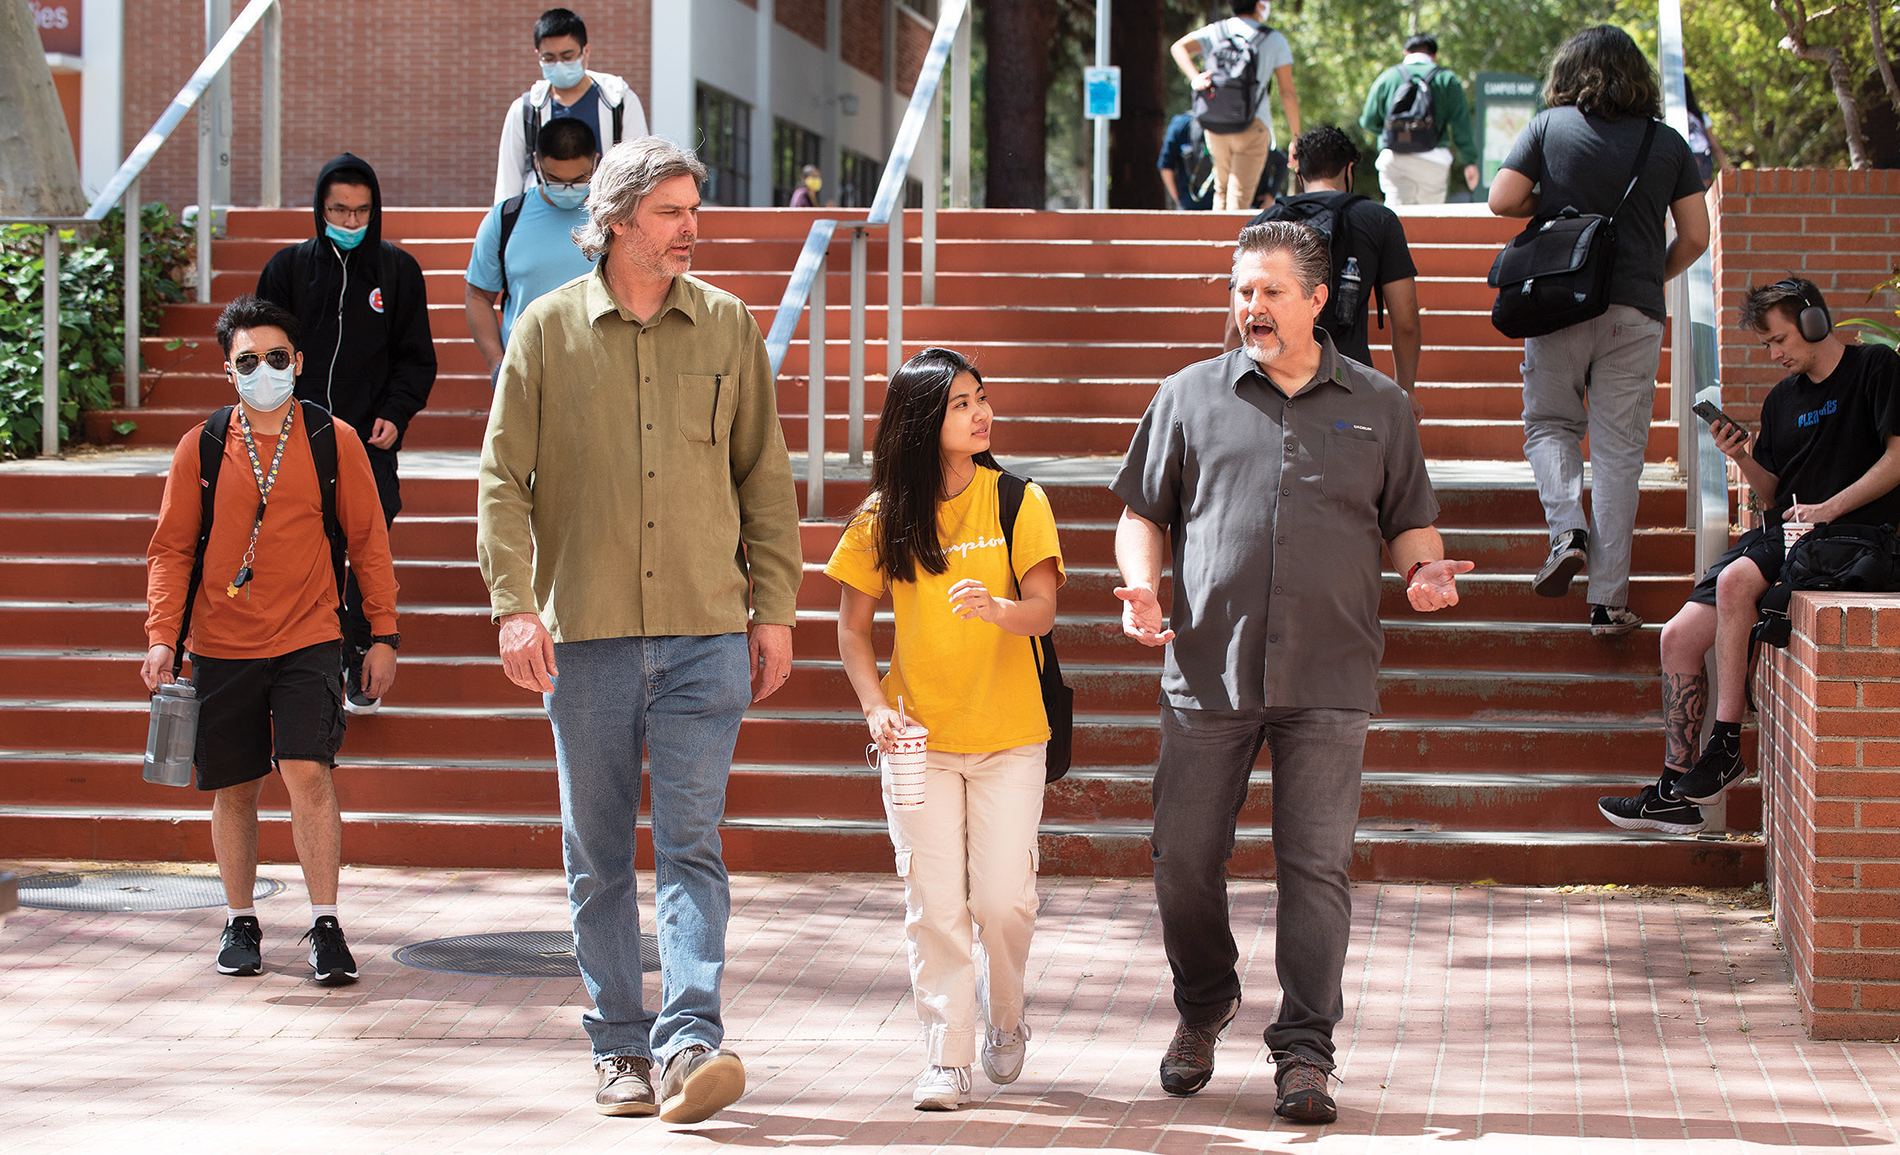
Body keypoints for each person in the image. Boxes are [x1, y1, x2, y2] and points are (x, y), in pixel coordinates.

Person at [1112, 221, 1472, 1123]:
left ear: (1318, 300)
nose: (1252, 307)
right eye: (1242, 290)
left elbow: (1409, 526)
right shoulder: (1188, 395)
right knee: (1182, 857)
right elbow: (1142, 511)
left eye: (1271, 291)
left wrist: (1425, 574)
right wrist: (1140, 585)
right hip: (1209, 669)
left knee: (1315, 867)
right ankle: (1204, 1004)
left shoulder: (1383, 405)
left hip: (1331, 671)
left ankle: (1307, 1050)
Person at [476, 137, 802, 1123]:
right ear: (618, 220)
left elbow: (765, 480)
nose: (691, 230)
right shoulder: (544, 332)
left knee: (693, 843)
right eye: (671, 213)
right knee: (600, 852)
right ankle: (619, 1045)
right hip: (591, 636)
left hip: (707, 631)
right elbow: (501, 481)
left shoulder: (730, 328)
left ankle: (689, 1043)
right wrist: (514, 606)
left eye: (693, 211)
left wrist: (775, 610)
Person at [825, 348, 1064, 1112]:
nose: (980, 412)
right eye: (962, 403)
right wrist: (875, 707)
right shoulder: (881, 516)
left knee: (1001, 901)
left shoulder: (1018, 500)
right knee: (934, 901)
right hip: (918, 741)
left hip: (1010, 731)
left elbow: (1045, 610)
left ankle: (1006, 1015)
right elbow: (853, 632)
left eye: (982, 398)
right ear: (925, 419)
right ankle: (945, 1054)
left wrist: (1000, 611)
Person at [141, 294, 400, 987]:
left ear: (300, 362)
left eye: (277, 358)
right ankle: (241, 918)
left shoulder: (331, 438)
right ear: (229, 371)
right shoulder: (201, 444)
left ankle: (324, 922)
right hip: (221, 642)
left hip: (310, 634)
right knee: (234, 785)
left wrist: (383, 633)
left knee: (308, 771)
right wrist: (162, 635)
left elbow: (370, 542)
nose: (264, 370)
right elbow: (170, 549)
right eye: (248, 361)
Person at [1600, 280, 1900, 833]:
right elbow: (1772, 495)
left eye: (1780, 339)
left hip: (1852, 533)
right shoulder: (1782, 399)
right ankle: (1674, 790)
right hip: (1783, 532)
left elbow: (1897, 461)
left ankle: (1726, 743)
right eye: (1766, 345)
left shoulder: (1875, 368)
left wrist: (1828, 508)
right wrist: (1740, 457)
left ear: (1814, 322)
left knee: (1739, 583)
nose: (1775, 354)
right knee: (1678, 637)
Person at [1487, 25, 1708, 636]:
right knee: (1617, 457)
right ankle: (1607, 604)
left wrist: (1555, 199)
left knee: (1551, 424)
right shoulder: (1667, 144)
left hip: (1559, 300)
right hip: (1634, 311)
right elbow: (1695, 237)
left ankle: (1567, 532)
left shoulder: (1548, 126)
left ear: (1568, 73)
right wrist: (1648, 279)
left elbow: (1501, 200)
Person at [257, 154, 435, 713]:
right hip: (294, 442)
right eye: (339, 210)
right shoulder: (287, 269)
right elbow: (257, 348)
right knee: (306, 549)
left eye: (361, 211)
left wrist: (396, 413)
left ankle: (360, 654)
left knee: (366, 548)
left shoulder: (398, 271)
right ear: (320, 208)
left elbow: (416, 358)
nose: (351, 221)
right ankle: (307, 660)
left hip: (368, 444)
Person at [1223, 125, 1423, 421]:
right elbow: (1405, 319)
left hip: (1270, 383)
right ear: (1349, 169)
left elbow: (1234, 324)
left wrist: (1231, 390)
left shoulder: (1264, 223)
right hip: (1349, 381)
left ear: (1299, 173)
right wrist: (1406, 390)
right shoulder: (1378, 220)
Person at [465, 118, 600, 385]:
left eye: (579, 179)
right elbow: (478, 296)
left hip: (602, 376)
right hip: (526, 378)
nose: (568, 190)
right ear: (537, 163)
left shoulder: (615, 218)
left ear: (595, 162)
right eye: (555, 180)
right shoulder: (504, 219)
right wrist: (497, 365)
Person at [495, 7, 649, 202]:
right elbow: (508, 181)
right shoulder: (525, 110)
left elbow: (639, 174)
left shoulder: (620, 103)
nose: (559, 65)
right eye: (549, 58)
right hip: (542, 215)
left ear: (586, 51)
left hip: (603, 219)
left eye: (568, 57)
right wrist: (506, 225)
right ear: (538, 54)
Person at [1170, 0, 1300, 211]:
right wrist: (1296, 137)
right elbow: (1288, 92)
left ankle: (1215, 242)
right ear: (1259, 4)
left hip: (1215, 124)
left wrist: (1196, 78)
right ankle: (1230, 243)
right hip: (1253, 125)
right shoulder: (1274, 40)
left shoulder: (1217, 31)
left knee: (1221, 191)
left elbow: (1178, 47)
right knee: (1239, 197)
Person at [1358, 34, 1479, 205]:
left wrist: (1396, 134)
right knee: (1430, 222)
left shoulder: (1388, 77)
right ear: (1434, 56)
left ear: (1405, 52)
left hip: (1394, 158)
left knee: (1398, 220)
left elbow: (1368, 121)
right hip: (1434, 159)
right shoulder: (1446, 79)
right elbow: (1461, 125)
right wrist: (1469, 161)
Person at [1158, 113, 1213, 210]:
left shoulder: (1180, 123)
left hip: (1189, 203)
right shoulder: (1231, 124)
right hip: (1222, 204)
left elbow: (1165, 166)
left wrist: (1178, 200)